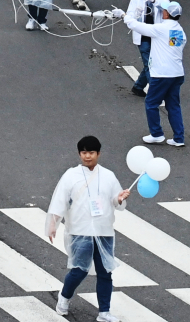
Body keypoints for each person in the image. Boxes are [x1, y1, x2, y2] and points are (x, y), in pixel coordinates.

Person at [46, 135, 130, 322]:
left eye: (91, 152)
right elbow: (60, 200)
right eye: (84, 152)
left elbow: (116, 202)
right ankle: (64, 298)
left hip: (103, 231)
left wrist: (120, 198)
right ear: (79, 154)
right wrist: (53, 224)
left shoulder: (108, 176)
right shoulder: (70, 176)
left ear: (98, 153)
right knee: (79, 270)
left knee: (105, 272)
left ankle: (104, 312)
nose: (87, 156)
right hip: (79, 230)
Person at [124, 0, 188, 146]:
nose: (161, 12)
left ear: (167, 13)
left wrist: (124, 16)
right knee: (173, 105)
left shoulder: (161, 29)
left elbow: (138, 26)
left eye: (163, 10)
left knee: (151, 103)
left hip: (162, 74)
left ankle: (157, 134)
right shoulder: (180, 31)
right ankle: (179, 138)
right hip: (177, 74)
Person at [126, 0, 169, 96]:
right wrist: (136, 14)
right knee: (151, 65)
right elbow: (129, 17)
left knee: (152, 63)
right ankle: (156, 92)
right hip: (143, 36)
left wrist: (154, 1)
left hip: (157, 36)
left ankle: (138, 87)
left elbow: (167, 7)